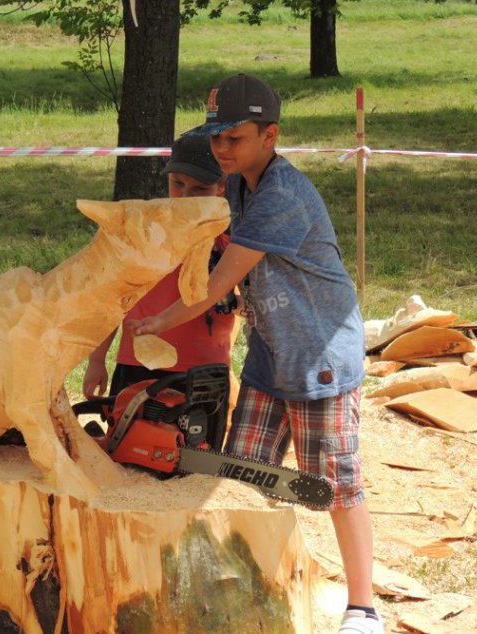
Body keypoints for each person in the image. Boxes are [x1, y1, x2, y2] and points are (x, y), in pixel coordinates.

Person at [128, 74, 380, 634]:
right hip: (270, 348)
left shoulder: (280, 196)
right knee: (243, 474)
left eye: (234, 138)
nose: (222, 149)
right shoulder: (238, 183)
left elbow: (219, 284)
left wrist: (157, 322)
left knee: (336, 484)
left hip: (319, 353)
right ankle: (248, 586)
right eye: (216, 137)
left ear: (270, 136)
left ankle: (364, 606)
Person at [81, 130, 237, 442]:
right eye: (178, 183)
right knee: (130, 457)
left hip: (205, 371)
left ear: (221, 187)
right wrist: (97, 359)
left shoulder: (232, 236)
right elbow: (114, 296)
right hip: (137, 365)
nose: (185, 195)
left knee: (194, 464)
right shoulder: (142, 229)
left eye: (200, 188)